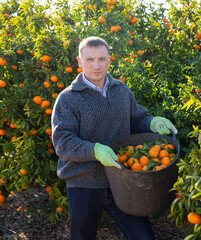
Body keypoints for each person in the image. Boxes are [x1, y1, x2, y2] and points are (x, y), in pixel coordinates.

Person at [51, 36, 177, 240]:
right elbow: (63, 143)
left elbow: (138, 118)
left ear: (110, 59)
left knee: (143, 236)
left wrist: (153, 123)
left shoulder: (121, 90)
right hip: (84, 183)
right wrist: (95, 150)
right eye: (90, 59)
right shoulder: (68, 99)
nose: (96, 65)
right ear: (79, 62)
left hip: (124, 178)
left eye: (102, 59)